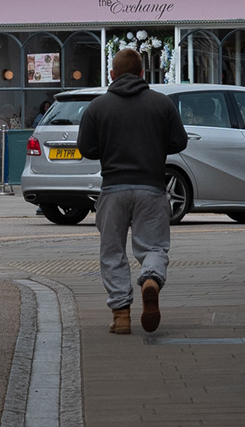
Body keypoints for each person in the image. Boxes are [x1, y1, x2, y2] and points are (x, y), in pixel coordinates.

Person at [75, 48, 188, 336]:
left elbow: (86, 148)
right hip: (151, 187)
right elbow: (179, 141)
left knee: (112, 251)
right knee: (153, 246)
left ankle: (121, 314)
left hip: (113, 188)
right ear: (142, 74)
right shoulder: (161, 104)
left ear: (112, 75)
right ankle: (150, 278)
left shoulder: (98, 107)